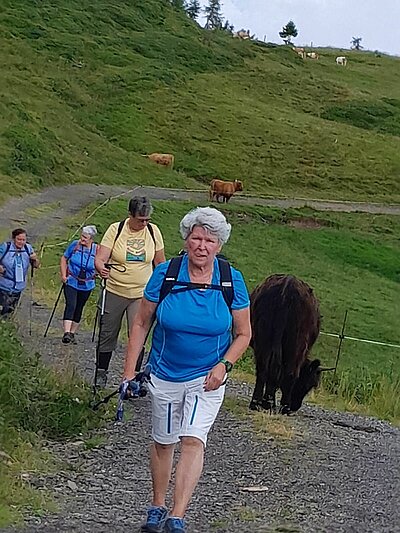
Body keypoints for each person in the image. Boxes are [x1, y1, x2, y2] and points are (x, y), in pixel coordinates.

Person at [123, 207, 251, 533]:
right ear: (186, 240)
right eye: (196, 238)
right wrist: (129, 372)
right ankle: (157, 503)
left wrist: (225, 365)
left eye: (210, 240)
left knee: (193, 439)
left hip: (207, 378)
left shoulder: (230, 280)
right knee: (164, 441)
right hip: (164, 373)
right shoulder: (166, 274)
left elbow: (244, 333)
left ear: (219, 245)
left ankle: (177, 515)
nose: (202, 246)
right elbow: (140, 322)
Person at [94, 196, 165, 388]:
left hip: (142, 294)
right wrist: (101, 267)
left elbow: (160, 263)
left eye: (147, 220)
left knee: (138, 334)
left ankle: (133, 378)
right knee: (108, 333)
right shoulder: (116, 230)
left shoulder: (153, 231)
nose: (144, 223)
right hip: (115, 290)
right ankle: (101, 373)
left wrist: (164, 287)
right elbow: (100, 258)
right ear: (130, 215)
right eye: (140, 219)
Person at [60, 225, 98, 344]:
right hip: (71, 280)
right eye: (82, 236)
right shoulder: (75, 245)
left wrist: (98, 272)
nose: (82, 239)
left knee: (79, 307)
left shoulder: (97, 250)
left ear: (91, 239)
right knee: (71, 304)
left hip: (87, 284)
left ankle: (72, 333)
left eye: (85, 237)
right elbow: (64, 258)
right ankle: (66, 333)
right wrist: (63, 275)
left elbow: (102, 263)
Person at [0, 228, 40, 318]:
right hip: (3, 286)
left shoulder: (28, 248)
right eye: (19, 239)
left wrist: (35, 259)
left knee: (9, 313)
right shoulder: (5, 247)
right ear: (13, 238)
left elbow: (36, 266)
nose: (21, 242)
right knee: (2, 310)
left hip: (18, 287)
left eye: (23, 240)